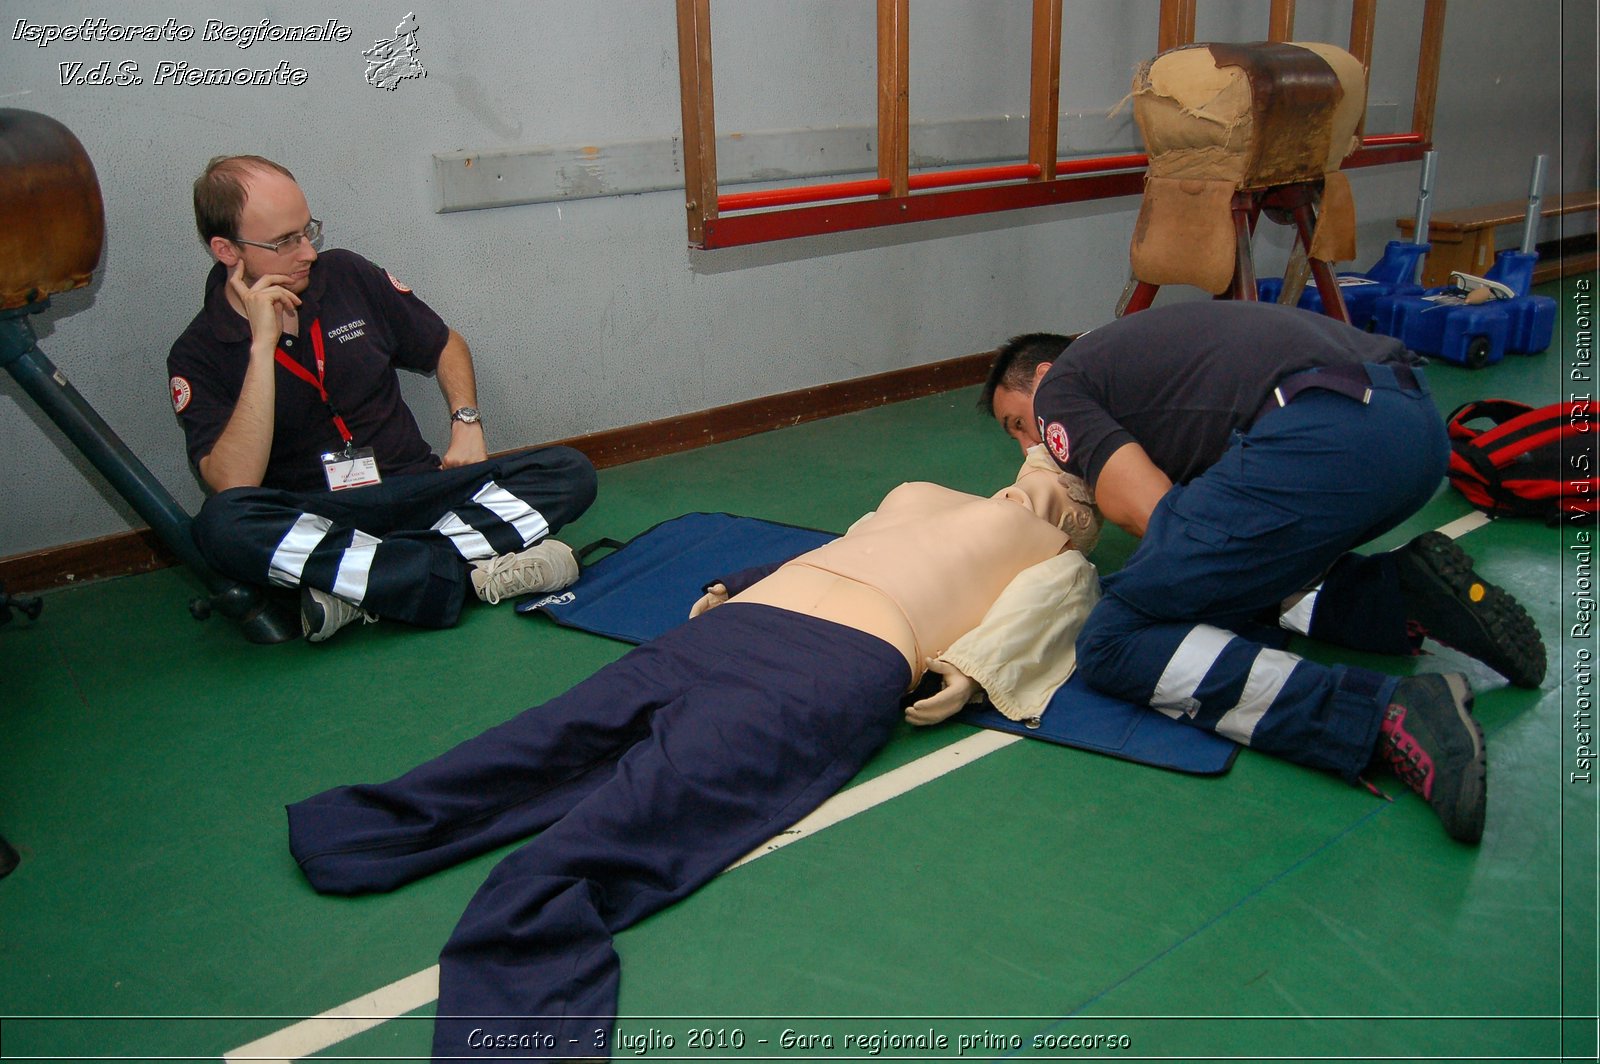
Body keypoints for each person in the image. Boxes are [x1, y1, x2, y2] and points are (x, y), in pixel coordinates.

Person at [285, 451, 1100, 1062]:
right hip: (742, 622)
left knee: (617, 830)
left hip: (837, 667)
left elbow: (1031, 625)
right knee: (540, 745)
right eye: (1034, 448)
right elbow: (839, 544)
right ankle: (367, 830)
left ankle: (516, 1027)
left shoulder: (1062, 561)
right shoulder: (921, 491)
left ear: (1076, 515)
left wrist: (966, 672)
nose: (1037, 466)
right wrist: (738, 581)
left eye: (1064, 478)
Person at [980, 300, 1546, 845]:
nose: (1032, 445)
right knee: (1232, 577)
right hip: (1415, 430)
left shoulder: (1061, 389)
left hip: (1327, 432)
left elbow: (1151, 515)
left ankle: (1380, 715)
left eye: (1018, 424)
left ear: (1044, 374)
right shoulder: (1146, 367)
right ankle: (1399, 598)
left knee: (1114, 638)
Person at [167, 156, 596, 643]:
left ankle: (363, 589)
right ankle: (471, 576)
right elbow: (233, 483)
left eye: (308, 230)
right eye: (284, 241)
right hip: (322, 517)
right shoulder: (197, 352)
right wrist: (261, 348)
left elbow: (445, 344)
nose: (307, 252)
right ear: (226, 249)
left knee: (569, 472)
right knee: (221, 527)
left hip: (418, 490)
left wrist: (466, 421)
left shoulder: (348, 275)